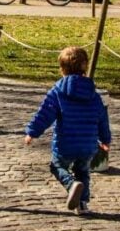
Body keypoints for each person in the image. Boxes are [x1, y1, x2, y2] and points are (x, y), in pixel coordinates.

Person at [24, 46, 112, 215]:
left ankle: (71, 185)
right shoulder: (93, 94)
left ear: (62, 69)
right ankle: (82, 204)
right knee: (83, 172)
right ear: (85, 67)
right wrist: (105, 139)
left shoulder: (58, 91)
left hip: (65, 143)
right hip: (88, 144)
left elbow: (45, 114)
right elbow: (102, 118)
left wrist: (32, 132)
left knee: (57, 166)